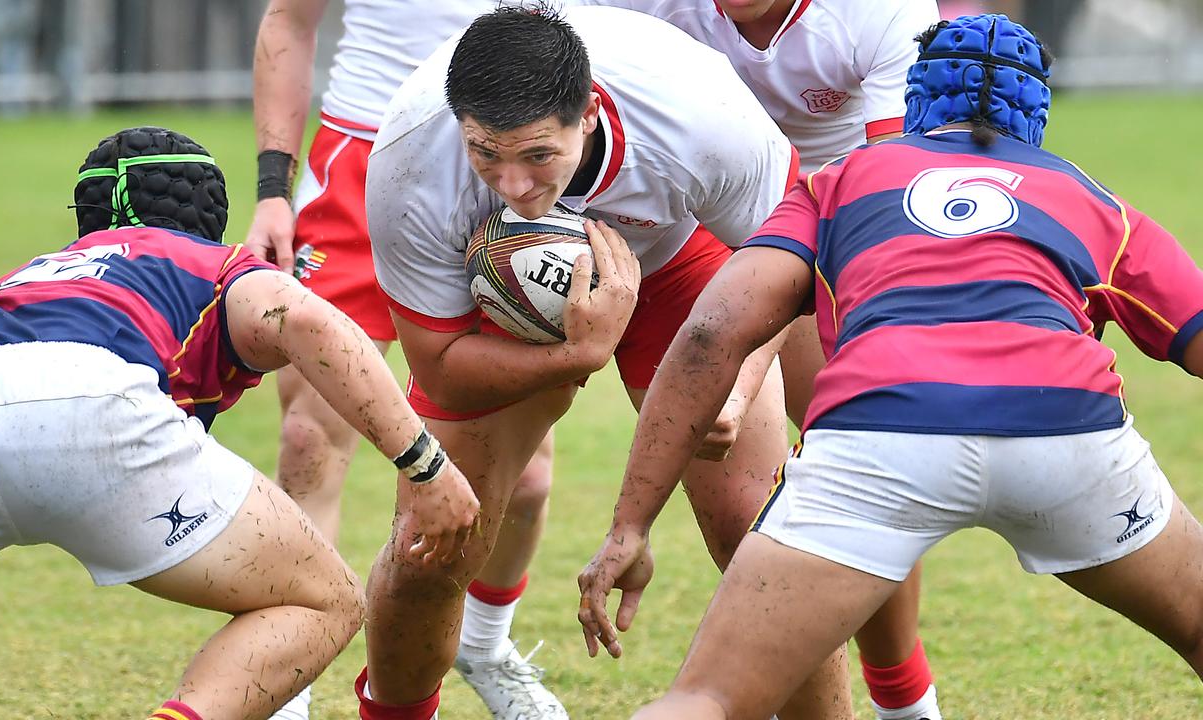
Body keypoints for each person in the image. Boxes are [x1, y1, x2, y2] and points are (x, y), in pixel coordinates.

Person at [575, 14, 1203, 718]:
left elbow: (708, 335)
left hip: (879, 435)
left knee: (708, 699)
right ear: (1038, 113)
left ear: (916, 98)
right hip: (1065, 431)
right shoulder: (1097, 203)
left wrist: (632, 524)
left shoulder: (840, 181)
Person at [359, 5, 863, 719]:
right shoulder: (413, 157)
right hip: (493, 290)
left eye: (538, 155)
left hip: (675, 260)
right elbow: (438, 365)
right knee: (432, 543)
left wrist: (741, 384)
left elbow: (793, 270)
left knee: (760, 535)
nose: (514, 186)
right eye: (485, 154)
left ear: (589, 113)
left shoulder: (701, 116)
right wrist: (579, 352)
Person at [0, 126, 479, 720]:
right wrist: (426, 466)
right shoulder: (212, 262)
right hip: (97, 402)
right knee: (325, 602)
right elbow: (312, 325)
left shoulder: (25, 277)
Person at [569, 1, 945, 716]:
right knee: (745, 505)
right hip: (696, 214)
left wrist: (743, 372)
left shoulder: (877, 11)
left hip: (849, 218)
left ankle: (903, 698)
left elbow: (890, 184)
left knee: (867, 460)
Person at [243, 3, 567, 716]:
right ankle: (282, 686)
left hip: (501, 166)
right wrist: (273, 191)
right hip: (360, 153)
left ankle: (484, 642)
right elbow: (288, 24)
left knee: (527, 474)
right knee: (308, 435)